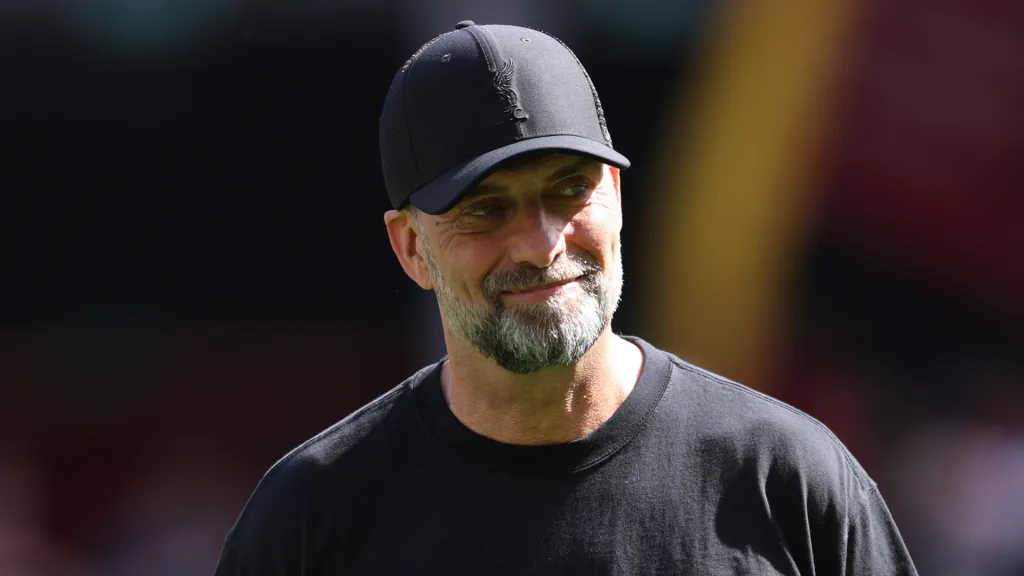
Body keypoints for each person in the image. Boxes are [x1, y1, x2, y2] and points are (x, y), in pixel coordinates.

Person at [213, 21, 918, 575]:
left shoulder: (785, 478)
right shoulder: (314, 516)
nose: (540, 243)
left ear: (613, 197)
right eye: (487, 210)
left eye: (568, 190)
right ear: (409, 248)